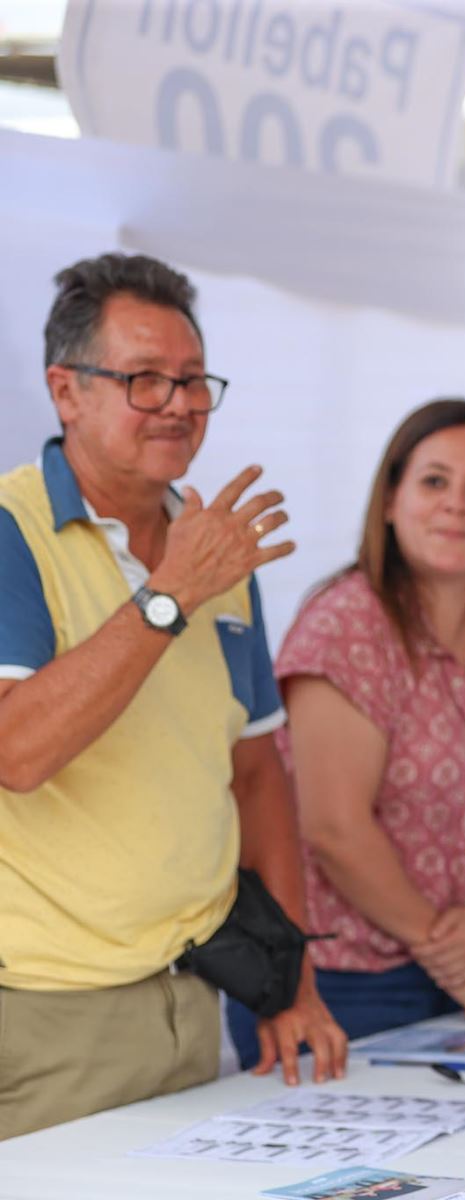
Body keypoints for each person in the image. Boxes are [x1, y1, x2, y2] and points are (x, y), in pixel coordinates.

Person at [0, 253, 346, 1139]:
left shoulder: (213, 549)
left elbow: (259, 773)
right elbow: (16, 751)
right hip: (48, 1014)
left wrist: (290, 982)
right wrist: (169, 594)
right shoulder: (13, 531)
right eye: (145, 379)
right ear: (66, 391)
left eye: (194, 380)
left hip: (197, 998)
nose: (181, 404)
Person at [225, 399, 465, 1063]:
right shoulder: (345, 624)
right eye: (434, 481)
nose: (456, 504)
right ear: (389, 501)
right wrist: (456, 956)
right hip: (337, 989)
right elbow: (334, 828)